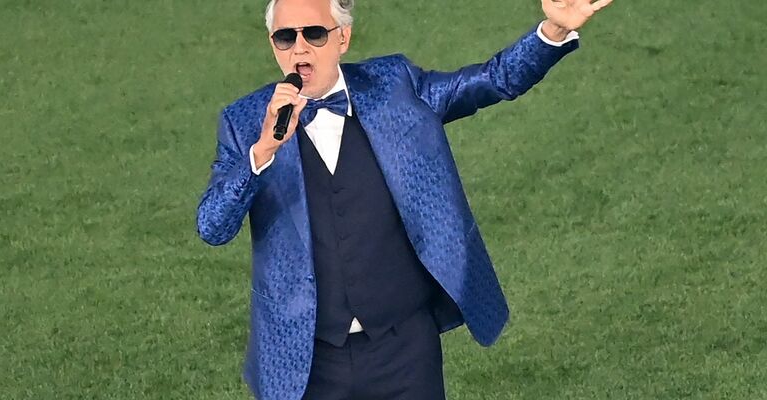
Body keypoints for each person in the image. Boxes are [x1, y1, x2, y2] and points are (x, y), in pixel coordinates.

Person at [197, 0, 612, 399]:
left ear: (343, 37)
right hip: (306, 360)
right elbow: (212, 227)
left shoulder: (394, 85)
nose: (300, 47)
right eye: (286, 37)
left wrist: (554, 30)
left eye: (315, 33)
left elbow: (492, 80)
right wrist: (262, 152)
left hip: (404, 350)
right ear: (274, 44)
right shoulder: (245, 121)